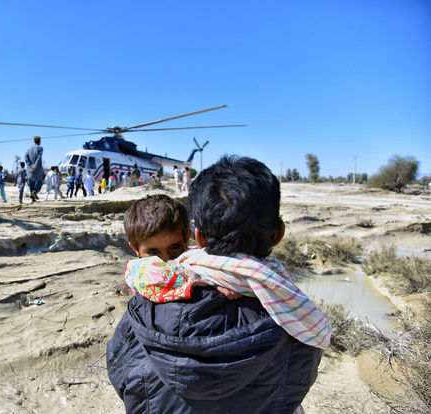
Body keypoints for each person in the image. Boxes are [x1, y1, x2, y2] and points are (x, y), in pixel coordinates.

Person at [107, 156, 327, 414]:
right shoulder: (297, 318)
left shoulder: (144, 306)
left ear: (196, 237)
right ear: (278, 233)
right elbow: (297, 385)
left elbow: (120, 372)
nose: (165, 260)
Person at [25, 135, 44, 202]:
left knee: (31, 183)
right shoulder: (40, 148)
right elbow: (39, 158)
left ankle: (32, 198)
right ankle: (35, 191)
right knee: (41, 180)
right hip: (37, 169)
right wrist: (35, 167)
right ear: (39, 141)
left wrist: (30, 166)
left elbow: (26, 158)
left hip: (29, 170)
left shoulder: (29, 149)